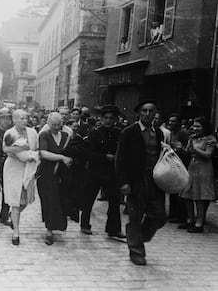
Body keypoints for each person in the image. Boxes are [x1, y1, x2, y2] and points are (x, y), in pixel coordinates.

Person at [115, 100, 165, 266]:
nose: (148, 114)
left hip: (155, 179)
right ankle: (136, 252)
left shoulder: (158, 133)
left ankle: (137, 237)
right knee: (135, 216)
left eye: (152, 111)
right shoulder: (129, 132)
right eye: (145, 111)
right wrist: (123, 182)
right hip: (135, 180)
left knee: (159, 216)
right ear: (139, 113)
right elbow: (120, 158)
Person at [81, 105, 125, 238]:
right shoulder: (94, 133)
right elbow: (87, 153)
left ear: (115, 119)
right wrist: (105, 156)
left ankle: (113, 229)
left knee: (114, 201)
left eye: (111, 118)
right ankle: (85, 225)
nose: (108, 121)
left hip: (111, 173)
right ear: (101, 118)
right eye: (105, 118)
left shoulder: (119, 133)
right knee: (88, 199)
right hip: (95, 171)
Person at [3, 109, 38, 245]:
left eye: (26, 118)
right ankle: (16, 233)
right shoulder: (10, 133)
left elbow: (35, 149)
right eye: (21, 118)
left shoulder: (33, 132)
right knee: (15, 200)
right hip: (13, 168)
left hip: (28, 168)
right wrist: (22, 149)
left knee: (25, 200)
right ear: (14, 120)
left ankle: (13, 216)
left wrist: (32, 156)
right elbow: (6, 149)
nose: (25, 121)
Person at [37, 113, 72, 245]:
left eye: (59, 125)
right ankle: (49, 231)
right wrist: (61, 158)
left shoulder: (66, 136)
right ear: (48, 123)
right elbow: (43, 153)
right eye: (53, 125)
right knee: (49, 201)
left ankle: (58, 225)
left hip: (62, 173)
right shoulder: (44, 135)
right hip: (47, 173)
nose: (56, 127)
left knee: (61, 200)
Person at [179, 117, 216, 233]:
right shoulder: (192, 138)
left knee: (199, 197)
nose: (195, 128)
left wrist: (194, 148)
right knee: (187, 194)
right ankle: (190, 219)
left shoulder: (210, 139)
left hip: (204, 169)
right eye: (194, 126)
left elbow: (208, 155)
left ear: (204, 127)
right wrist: (180, 149)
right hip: (192, 167)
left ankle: (199, 223)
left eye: (198, 126)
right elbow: (188, 153)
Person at [167, 114, 190, 223]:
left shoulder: (183, 133)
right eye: (169, 121)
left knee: (180, 191)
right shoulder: (171, 133)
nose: (170, 123)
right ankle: (173, 213)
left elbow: (187, 150)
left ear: (179, 123)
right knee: (173, 190)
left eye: (173, 121)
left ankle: (181, 215)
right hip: (174, 164)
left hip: (182, 164)